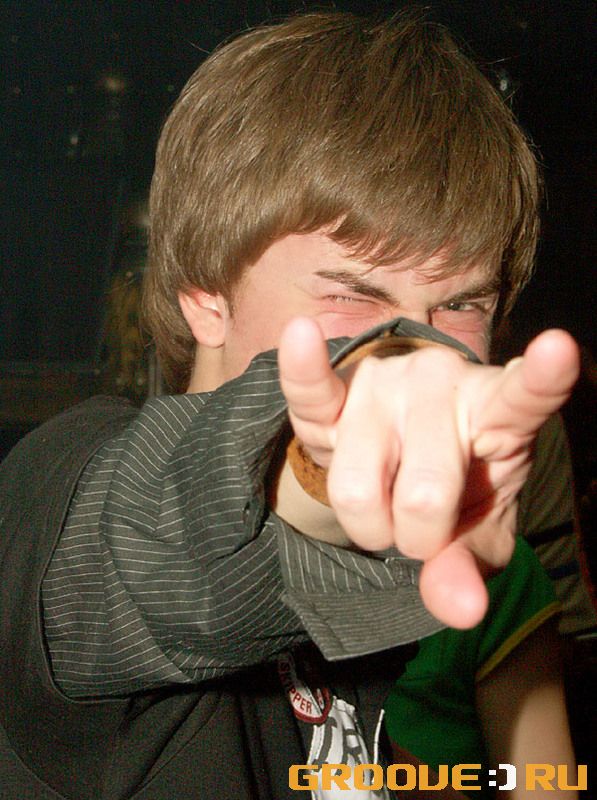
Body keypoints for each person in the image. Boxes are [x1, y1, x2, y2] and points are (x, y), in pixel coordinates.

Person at [0, 10, 587, 800]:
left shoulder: (430, 563)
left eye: (458, 306)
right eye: (351, 294)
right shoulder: (52, 488)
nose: (418, 350)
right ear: (204, 293)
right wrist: (318, 480)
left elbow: (536, 775)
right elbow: (160, 547)